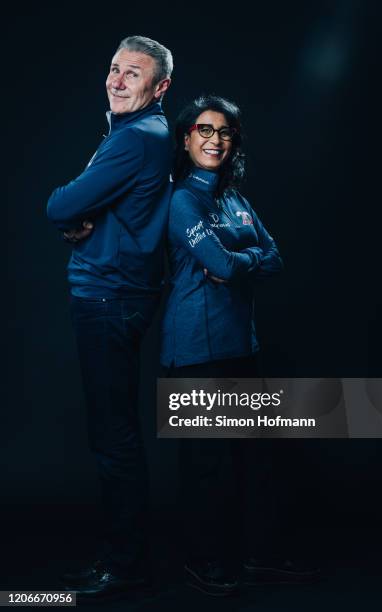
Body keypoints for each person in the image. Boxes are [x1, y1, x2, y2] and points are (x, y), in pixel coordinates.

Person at [161, 96, 318, 596]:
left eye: (224, 132)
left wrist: (239, 257)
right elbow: (228, 268)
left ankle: (260, 557)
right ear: (186, 140)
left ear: (233, 142)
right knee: (207, 465)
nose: (214, 139)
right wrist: (242, 260)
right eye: (203, 130)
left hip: (240, 345)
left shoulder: (237, 201)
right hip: (194, 348)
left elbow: (271, 259)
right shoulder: (182, 200)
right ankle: (203, 561)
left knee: (255, 459)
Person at [47, 35, 173, 599]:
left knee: (113, 436)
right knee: (113, 432)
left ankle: (125, 565)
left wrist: (71, 214)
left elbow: (60, 205)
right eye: (115, 69)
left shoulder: (138, 138)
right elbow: (82, 213)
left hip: (109, 298)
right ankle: (124, 558)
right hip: (118, 294)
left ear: (160, 87)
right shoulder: (135, 133)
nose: (118, 80)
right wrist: (77, 218)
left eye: (134, 74)